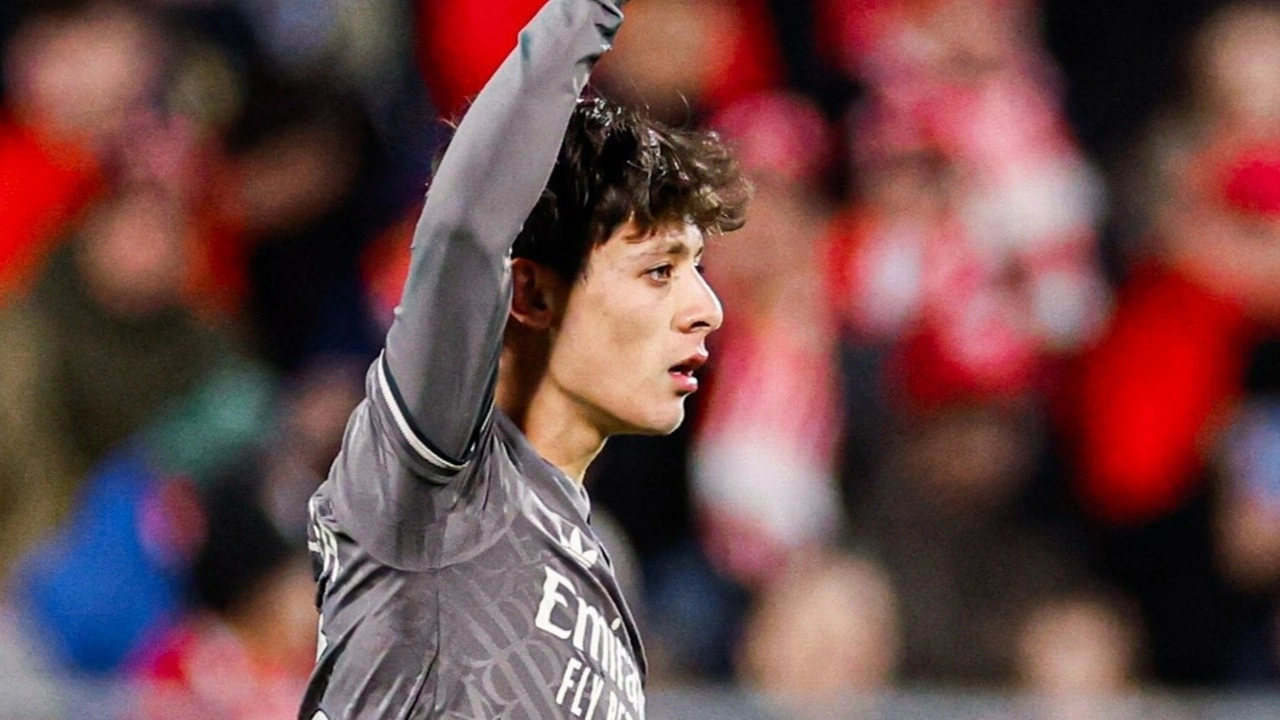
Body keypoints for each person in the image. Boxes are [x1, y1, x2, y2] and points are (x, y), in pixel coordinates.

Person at [300, 0, 749, 718]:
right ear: (533, 292)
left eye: (696, 269)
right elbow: (466, 229)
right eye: (659, 271)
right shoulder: (438, 486)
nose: (707, 308)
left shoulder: (602, 572)